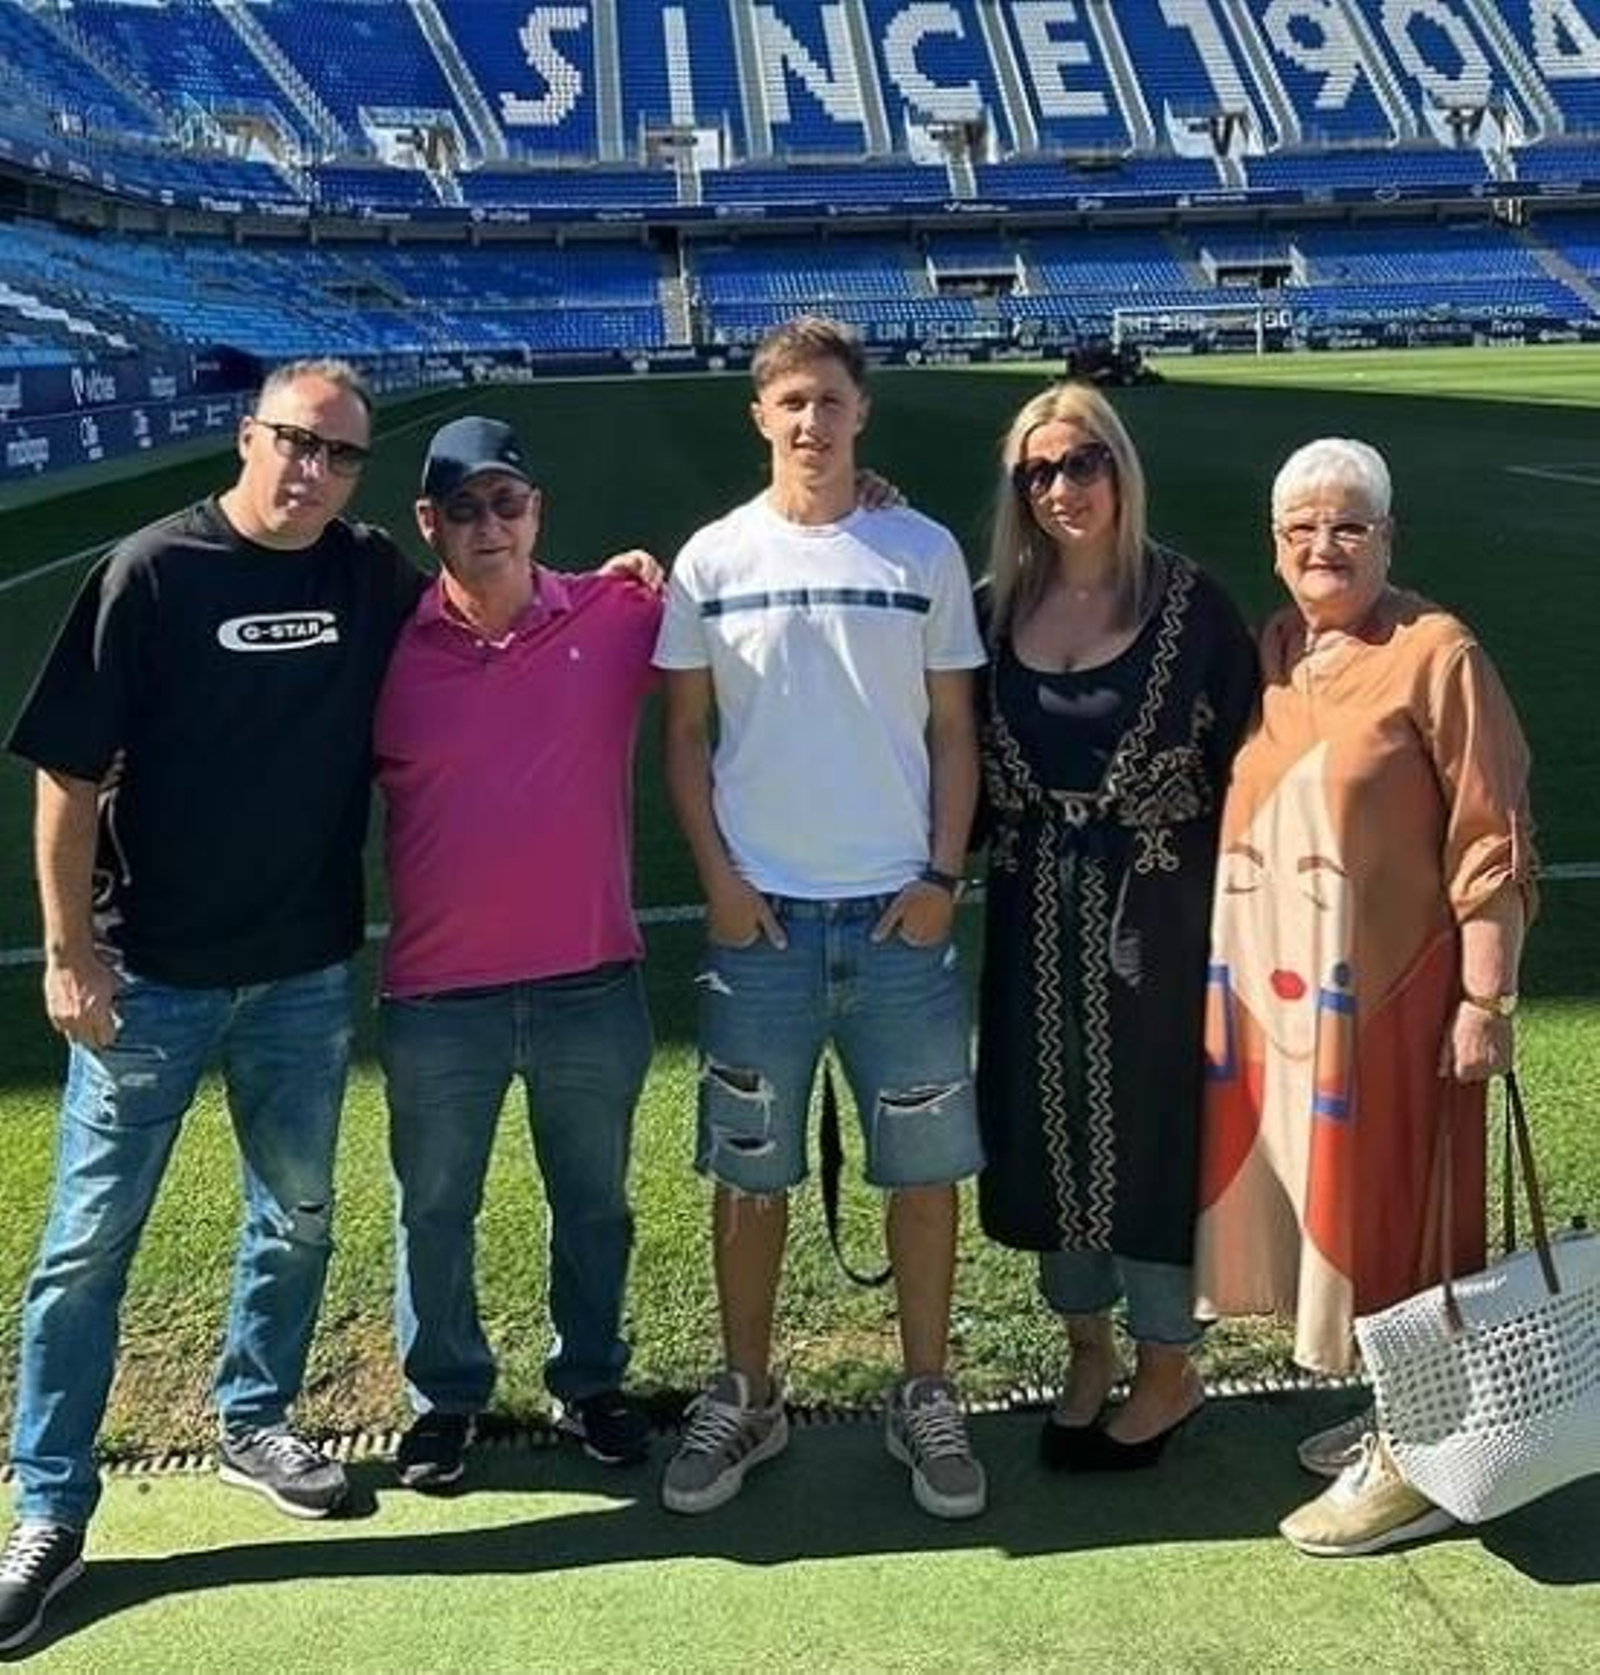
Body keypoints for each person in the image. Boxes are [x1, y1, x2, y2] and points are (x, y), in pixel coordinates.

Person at [0, 359, 423, 1652]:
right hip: (153, 978)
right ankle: (50, 1507)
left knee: (294, 1217)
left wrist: (616, 578)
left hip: (301, 971)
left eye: (342, 456)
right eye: (295, 443)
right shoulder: (150, 572)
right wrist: (70, 952)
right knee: (85, 1245)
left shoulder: (361, 574)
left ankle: (254, 1418)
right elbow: (68, 780)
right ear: (247, 438)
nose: (313, 472)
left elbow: (487, 609)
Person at [654, 316, 989, 1520]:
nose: (811, 422)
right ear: (760, 414)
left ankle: (926, 1389)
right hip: (765, 930)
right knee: (750, 1178)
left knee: (924, 1170)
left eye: (830, 401)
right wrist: (723, 884)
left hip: (901, 923)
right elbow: (683, 739)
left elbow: (957, 731)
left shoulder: (923, 550)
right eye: (790, 402)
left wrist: (940, 875)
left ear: (862, 413)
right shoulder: (710, 561)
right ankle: (746, 1389)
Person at [1193, 437, 1535, 1557]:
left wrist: (1485, 1000)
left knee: (1405, 1220)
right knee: (1342, 1218)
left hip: (1399, 1001)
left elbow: (1491, 841)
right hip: (1291, 1018)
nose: (1323, 545)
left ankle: (1421, 1456)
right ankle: (1397, 1407)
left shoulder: (1438, 654)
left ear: (1387, 537)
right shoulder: (1279, 649)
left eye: (1348, 525)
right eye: (1300, 529)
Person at [373, 416, 664, 1491]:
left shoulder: (622, 609)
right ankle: (445, 1397)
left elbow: (756, 630)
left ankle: (588, 1379)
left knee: (593, 1202)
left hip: (591, 979)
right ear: (428, 522)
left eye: (507, 501)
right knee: (436, 1208)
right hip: (437, 996)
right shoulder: (387, 647)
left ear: (537, 510)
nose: (489, 524)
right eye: (463, 507)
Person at [973, 382, 1258, 1472]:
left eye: (1079, 463)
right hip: (1033, 908)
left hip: (1161, 910)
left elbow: (1250, 765)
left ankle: (1168, 1364)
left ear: (1119, 469)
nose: (1059, 488)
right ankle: (1084, 1345)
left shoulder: (1191, 606)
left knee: (1151, 1130)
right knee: (1043, 1130)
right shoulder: (993, 606)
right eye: (1036, 472)